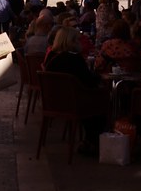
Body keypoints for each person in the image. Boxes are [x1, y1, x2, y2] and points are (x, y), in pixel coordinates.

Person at [43, 26, 104, 156]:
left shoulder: (51, 56)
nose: (80, 42)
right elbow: (88, 80)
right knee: (101, 103)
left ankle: (89, 141)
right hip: (73, 103)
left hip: (53, 101)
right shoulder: (74, 59)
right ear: (71, 41)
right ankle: (94, 142)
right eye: (77, 39)